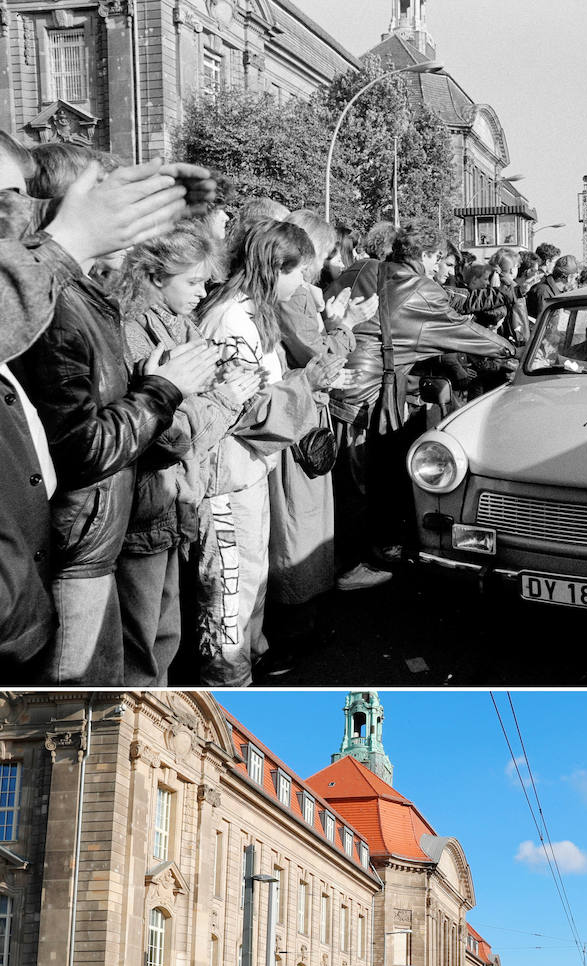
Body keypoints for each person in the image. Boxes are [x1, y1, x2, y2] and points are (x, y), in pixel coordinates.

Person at [16, 156, 218, 683]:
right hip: (84, 541)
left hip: (105, 532)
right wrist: (165, 391)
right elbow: (86, 447)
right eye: (115, 199)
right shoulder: (60, 303)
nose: (133, 223)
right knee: (82, 702)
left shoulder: (90, 299)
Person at [196, 221, 346, 685]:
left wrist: (307, 387)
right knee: (230, 584)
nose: (304, 283)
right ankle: (227, 675)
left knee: (251, 574)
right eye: (298, 272)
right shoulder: (232, 319)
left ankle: (247, 658)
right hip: (227, 474)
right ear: (273, 267)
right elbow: (245, 410)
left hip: (249, 468)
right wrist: (311, 382)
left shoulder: (254, 312)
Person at [116, 219, 264, 685]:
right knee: (144, 647)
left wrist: (217, 397)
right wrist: (224, 400)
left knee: (164, 637)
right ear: (156, 277)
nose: (204, 292)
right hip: (145, 506)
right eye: (194, 281)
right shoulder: (135, 331)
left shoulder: (178, 324)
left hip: (173, 502)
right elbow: (171, 436)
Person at [332, 220, 516, 580]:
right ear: (427, 255)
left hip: (337, 379)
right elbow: (466, 332)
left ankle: (357, 554)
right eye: (439, 260)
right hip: (365, 395)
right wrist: (518, 354)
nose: (439, 269)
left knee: (347, 483)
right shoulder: (422, 289)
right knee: (360, 484)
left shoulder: (364, 267)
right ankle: (349, 567)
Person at [527, 253, 579, 319]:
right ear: (569, 278)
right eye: (575, 278)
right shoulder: (544, 291)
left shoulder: (558, 291)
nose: (575, 282)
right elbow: (545, 321)